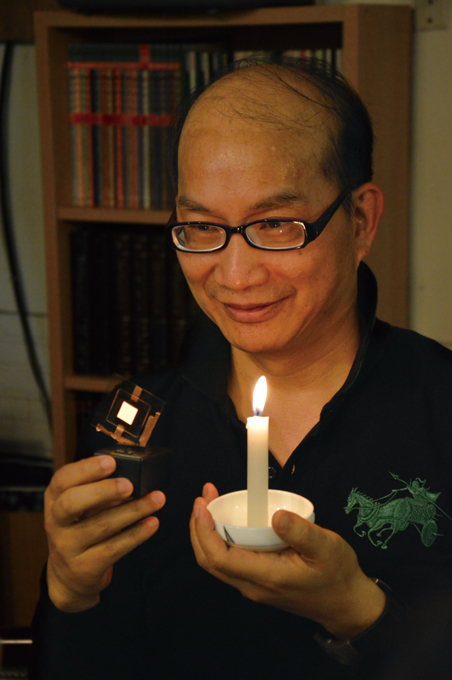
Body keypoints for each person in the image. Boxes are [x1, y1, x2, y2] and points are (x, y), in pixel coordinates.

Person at [31, 57, 452, 680]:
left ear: (360, 220)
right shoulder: (136, 424)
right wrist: (70, 592)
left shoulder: (438, 405)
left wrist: (362, 613)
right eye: (202, 227)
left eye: (276, 224)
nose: (234, 276)